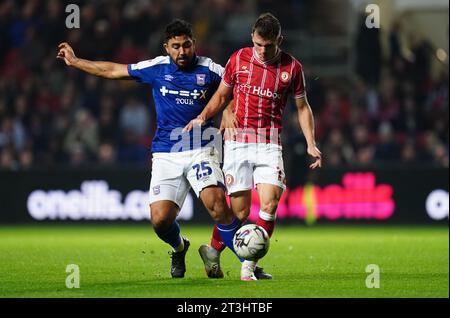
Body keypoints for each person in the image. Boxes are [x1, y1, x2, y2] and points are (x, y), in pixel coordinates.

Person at [57, 19, 242, 279]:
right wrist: (76, 62)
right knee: (160, 220)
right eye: (175, 46)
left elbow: (233, 88)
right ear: (166, 47)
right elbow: (113, 70)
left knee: (218, 206)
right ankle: (180, 247)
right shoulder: (156, 67)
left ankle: (250, 265)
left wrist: (229, 111)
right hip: (166, 152)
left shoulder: (210, 69)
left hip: (201, 147)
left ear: (194, 44)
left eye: (186, 45)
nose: (181, 52)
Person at [184, 13, 322, 281]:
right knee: (240, 213)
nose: (262, 51)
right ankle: (213, 251)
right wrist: (204, 116)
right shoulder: (238, 58)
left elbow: (302, 108)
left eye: (268, 46)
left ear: (278, 41)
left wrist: (311, 143)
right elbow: (223, 95)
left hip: (270, 142)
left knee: (269, 205)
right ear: (252, 38)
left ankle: (248, 268)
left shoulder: (292, 68)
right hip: (237, 142)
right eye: (258, 44)